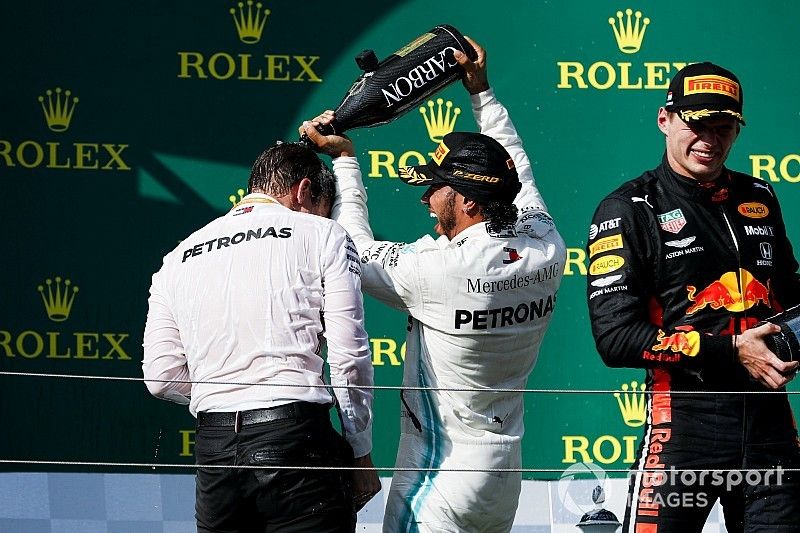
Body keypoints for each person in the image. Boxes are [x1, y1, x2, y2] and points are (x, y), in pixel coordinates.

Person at [301, 37, 566, 532]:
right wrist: (481, 93)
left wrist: (345, 160)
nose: (425, 198)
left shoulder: (439, 270)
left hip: (438, 472)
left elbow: (351, 248)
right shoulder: (545, 241)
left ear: (466, 201)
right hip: (504, 474)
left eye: (434, 186)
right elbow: (516, 171)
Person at [586, 61, 800, 532]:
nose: (710, 139)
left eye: (723, 128)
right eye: (697, 124)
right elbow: (615, 338)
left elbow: (789, 295)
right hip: (685, 422)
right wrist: (731, 350)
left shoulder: (759, 196)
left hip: (769, 427)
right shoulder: (629, 208)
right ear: (665, 120)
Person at [142, 141, 381, 532]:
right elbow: (348, 357)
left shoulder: (177, 257)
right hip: (295, 437)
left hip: (215, 451)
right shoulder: (324, 234)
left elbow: (161, 378)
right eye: (323, 207)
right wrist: (360, 453)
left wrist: (227, 391)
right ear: (304, 191)